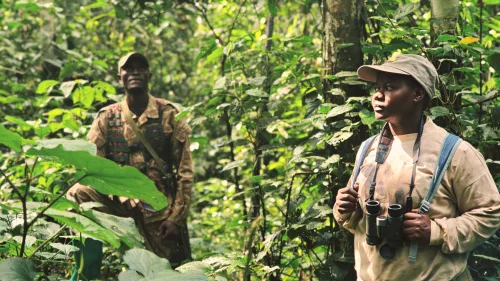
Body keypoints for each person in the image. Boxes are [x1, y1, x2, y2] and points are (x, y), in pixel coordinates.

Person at [333, 54, 500, 281]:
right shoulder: (368, 149)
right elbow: (357, 222)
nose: (378, 95)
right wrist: (346, 209)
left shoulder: (454, 152)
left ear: (418, 94)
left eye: (390, 87)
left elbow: (491, 212)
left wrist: (435, 231)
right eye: (378, 87)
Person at [67, 52, 193, 280]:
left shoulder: (169, 115)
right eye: (128, 68)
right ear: (120, 77)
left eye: (140, 68)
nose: (135, 72)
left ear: (149, 75)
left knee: (157, 271)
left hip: (156, 208)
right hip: (117, 201)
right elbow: (90, 169)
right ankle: (87, 272)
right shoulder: (107, 117)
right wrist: (118, 192)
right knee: (78, 193)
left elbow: (185, 173)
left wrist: (176, 219)